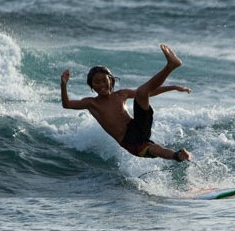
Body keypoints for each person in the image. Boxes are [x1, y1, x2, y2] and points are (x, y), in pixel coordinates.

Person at [60, 44, 192, 161]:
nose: (101, 84)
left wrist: (173, 87)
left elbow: (150, 92)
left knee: (141, 93)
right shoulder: (91, 103)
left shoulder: (121, 94)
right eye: (97, 82)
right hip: (128, 141)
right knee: (153, 149)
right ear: (92, 86)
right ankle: (178, 155)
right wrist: (64, 85)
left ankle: (171, 66)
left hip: (138, 125)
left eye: (104, 80)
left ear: (111, 80)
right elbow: (67, 104)